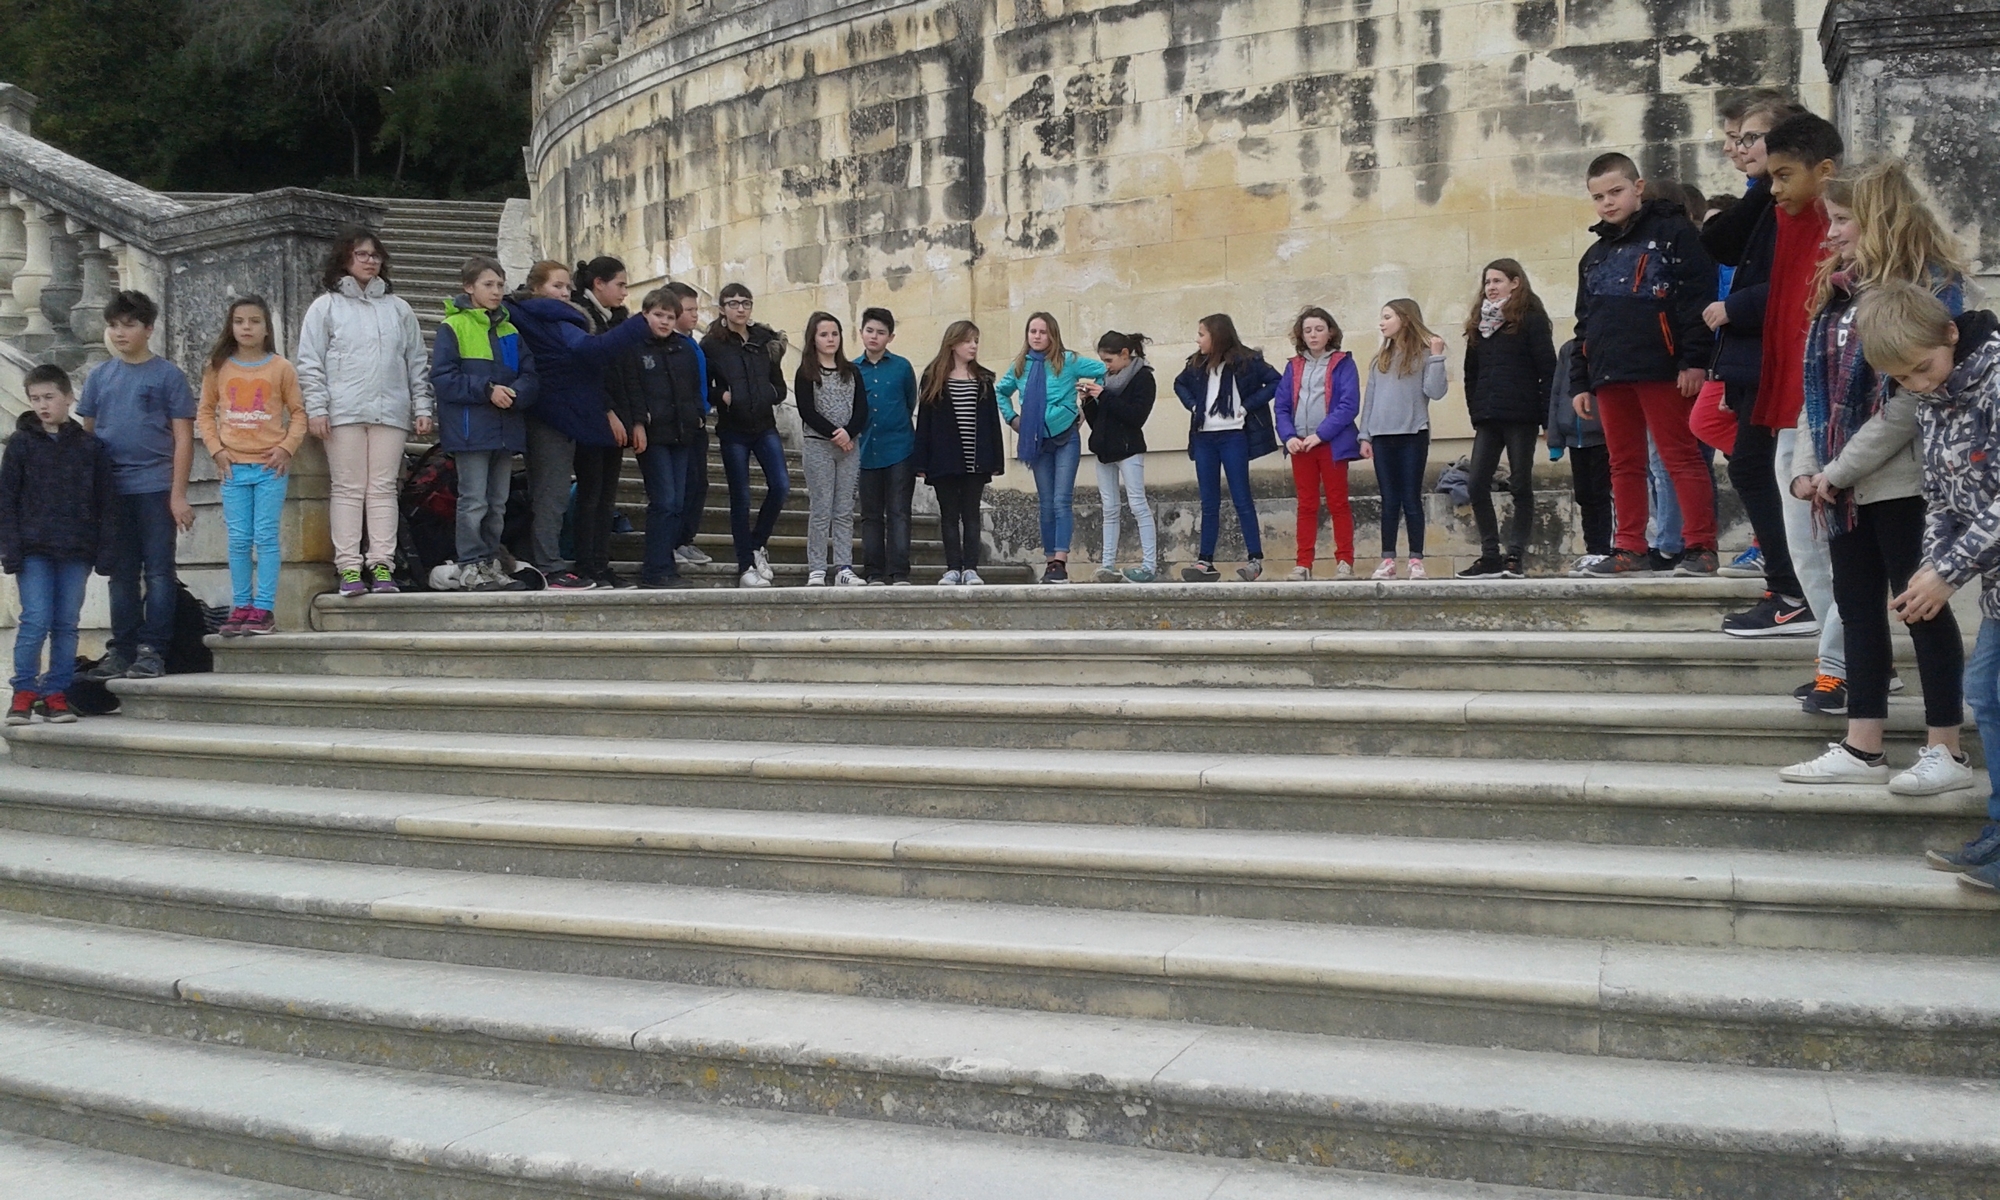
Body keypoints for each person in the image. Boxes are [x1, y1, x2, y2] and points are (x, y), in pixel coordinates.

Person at [1779, 174, 1972, 791]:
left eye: (1842, 220)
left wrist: (1834, 472)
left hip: (1904, 483)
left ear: (1881, 219)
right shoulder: (1837, 293)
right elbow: (1815, 392)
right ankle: (1863, 747)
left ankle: (1946, 749)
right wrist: (1807, 469)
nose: (1831, 234)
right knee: (1858, 610)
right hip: (1841, 488)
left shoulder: (1931, 287)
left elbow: (1911, 399)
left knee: (1920, 608)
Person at [1850, 283, 2000, 891]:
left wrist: (1949, 571)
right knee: (1985, 693)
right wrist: (1929, 562)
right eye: (1901, 378)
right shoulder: (1932, 398)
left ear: (1951, 334)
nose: (1917, 383)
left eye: (1922, 367)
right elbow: (1940, 495)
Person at [1569, 152, 1720, 576]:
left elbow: (1697, 296)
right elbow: (1585, 322)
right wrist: (1581, 380)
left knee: (1680, 455)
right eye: (1598, 197)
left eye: (1615, 191)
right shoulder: (1593, 255)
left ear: (1638, 187)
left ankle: (1701, 546)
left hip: (1662, 367)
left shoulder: (1674, 233)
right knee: (1623, 463)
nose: (1607, 203)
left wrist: (1694, 360)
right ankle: (1629, 547)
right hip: (1609, 372)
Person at [296, 228, 435, 597]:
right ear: (346, 258)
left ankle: (382, 564)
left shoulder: (398, 309)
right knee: (347, 488)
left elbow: (415, 361)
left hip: (391, 411)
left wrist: (422, 405)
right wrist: (317, 408)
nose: (370, 261)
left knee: (383, 489)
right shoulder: (325, 307)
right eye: (362, 254)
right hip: (343, 412)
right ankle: (349, 567)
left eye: (375, 255)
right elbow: (310, 362)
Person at [506, 259, 652, 590]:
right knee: (552, 495)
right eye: (556, 286)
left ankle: (560, 563)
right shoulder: (546, 318)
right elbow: (590, 350)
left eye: (567, 287)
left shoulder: (551, 317)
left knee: (559, 495)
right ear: (536, 288)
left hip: (567, 414)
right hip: (551, 416)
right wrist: (639, 324)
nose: (564, 293)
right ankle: (549, 566)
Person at [77, 290, 195, 681]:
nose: (119, 332)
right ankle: (122, 650)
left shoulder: (168, 376)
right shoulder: (99, 377)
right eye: (113, 325)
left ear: (149, 328)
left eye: (128, 325)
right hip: (113, 492)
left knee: (159, 572)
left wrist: (178, 494)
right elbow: (87, 439)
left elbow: (183, 438)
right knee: (121, 574)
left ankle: (153, 651)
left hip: (156, 486)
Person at [2, 364, 113, 723]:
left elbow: (104, 502)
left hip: (76, 549)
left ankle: (56, 693)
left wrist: (103, 549)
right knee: (35, 620)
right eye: (35, 399)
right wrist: (10, 548)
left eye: (49, 397)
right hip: (33, 549)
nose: (42, 405)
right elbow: (7, 499)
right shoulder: (20, 444)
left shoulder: (89, 447)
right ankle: (23, 693)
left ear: (68, 397)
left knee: (66, 623)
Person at [198, 295, 309, 631]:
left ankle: (264, 609)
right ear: (231, 327)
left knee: (266, 536)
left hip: (269, 468)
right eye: (239, 321)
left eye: (254, 321)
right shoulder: (218, 367)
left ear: (266, 328)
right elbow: (205, 412)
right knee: (238, 539)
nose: (246, 327)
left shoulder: (281, 368)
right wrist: (216, 449)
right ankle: (242, 606)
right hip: (232, 467)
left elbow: (299, 413)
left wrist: (286, 448)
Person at [432, 257, 539, 593]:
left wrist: (517, 393)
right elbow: (443, 378)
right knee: (474, 501)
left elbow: (530, 375)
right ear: (469, 287)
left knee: (497, 503)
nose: (496, 291)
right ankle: (470, 564)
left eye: (500, 285)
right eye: (488, 285)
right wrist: (487, 390)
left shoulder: (510, 330)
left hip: (505, 430)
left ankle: (492, 561)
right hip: (470, 431)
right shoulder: (454, 327)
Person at [1457, 260, 1557, 579]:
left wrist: (1548, 419)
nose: (1491, 287)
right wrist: (1475, 410)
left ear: (1515, 283)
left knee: (1520, 483)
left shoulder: (1531, 319)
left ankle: (1515, 555)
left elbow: (1548, 371)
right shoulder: (1479, 324)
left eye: (1497, 281)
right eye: (1487, 282)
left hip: (1521, 415)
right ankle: (1490, 555)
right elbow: (1470, 373)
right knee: (1476, 484)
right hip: (1488, 416)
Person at [996, 312, 1106, 584]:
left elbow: (1103, 371)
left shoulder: (1068, 361)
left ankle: (1060, 561)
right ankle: (1049, 563)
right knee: (1045, 503)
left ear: (1052, 335)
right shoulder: (1020, 365)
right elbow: (1000, 391)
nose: (1036, 336)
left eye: (1042, 332)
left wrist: (1086, 405)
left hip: (1066, 437)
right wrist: (1012, 418)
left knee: (1061, 500)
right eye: (1032, 331)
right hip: (1036, 441)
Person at [607, 288, 706, 589]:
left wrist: (697, 416)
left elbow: (693, 389)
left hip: (682, 434)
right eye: (658, 315)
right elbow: (632, 388)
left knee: (678, 501)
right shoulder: (635, 348)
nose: (664, 321)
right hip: (653, 436)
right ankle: (655, 569)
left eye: (670, 317)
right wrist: (638, 423)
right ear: (645, 315)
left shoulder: (684, 349)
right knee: (664, 500)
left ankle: (666, 565)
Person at [1172, 313, 1282, 582]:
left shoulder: (1246, 361)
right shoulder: (1197, 364)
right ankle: (1205, 561)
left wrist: (1246, 406)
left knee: (1241, 497)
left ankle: (1254, 559)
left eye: (1202, 334)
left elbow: (1276, 381)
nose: (1197, 340)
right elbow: (1179, 383)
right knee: (1209, 501)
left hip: (1233, 436)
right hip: (1204, 437)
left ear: (1217, 336)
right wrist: (1194, 406)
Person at [703, 283, 791, 588]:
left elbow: (780, 386)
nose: (740, 308)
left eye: (746, 303)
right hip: (733, 430)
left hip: (764, 425)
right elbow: (703, 386)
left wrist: (770, 394)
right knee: (740, 497)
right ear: (722, 308)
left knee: (780, 485)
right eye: (733, 303)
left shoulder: (765, 340)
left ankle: (756, 545)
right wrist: (723, 396)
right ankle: (745, 566)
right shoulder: (711, 345)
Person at [1358, 299, 1448, 579]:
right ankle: (1388, 558)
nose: (1381, 323)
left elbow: (1435, 391)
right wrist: (1365, 435)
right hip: (1382, 436)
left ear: (1405, 319)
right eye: (1382, 317)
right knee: (1389, 499)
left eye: (1387, 317)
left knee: (1411, 497)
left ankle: (1415, 559)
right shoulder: (1380, 360)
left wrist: (1437, 357)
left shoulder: (1423, 356)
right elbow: (1370, 399)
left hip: (1412, 434)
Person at [1273, 308, 1360, 580]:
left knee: (1338, 502)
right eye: (1308, 330)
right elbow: (1282, 406)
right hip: (1300, 445)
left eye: (1319, 329)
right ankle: (1303, 563)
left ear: (1330, 332)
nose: (1313, 335)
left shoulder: (1343, 363)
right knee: (1306, 505)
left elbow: (1348, 405)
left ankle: (1344, 560)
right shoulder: (1293, 366)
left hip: (1331, 444)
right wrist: (1289, 437)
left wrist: (1321, 434)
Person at [913, 321, 1003, 586]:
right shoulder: (933, 377)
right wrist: (921, 461)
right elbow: (925, 422)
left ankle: (971, 568)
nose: (973, 346)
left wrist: (996, 459)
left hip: (976, 459)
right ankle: (953, 567)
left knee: (972, 514)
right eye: (968, 341)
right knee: (949, 515)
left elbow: (992, 422)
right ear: (953, 344)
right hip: (944, 459)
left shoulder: (983, 379)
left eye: (976, 341)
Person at [795, 312, 869, 587]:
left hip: (849, 447)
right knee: (821, 508)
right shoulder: (806, 372)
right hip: (819, 447)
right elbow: (807, 410)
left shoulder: (852, 371)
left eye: (835, 334)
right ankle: (817, 567)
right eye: (824, 334)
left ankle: (843, 567)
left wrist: (849, 432)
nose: (830, 339)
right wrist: (835, 434)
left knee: (844, 509)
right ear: (813, 339)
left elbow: (861, 408)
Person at [1081, 330, 1158, 582]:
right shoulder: (1106, 380)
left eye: (1109, 360)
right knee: (1109, 508)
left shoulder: (1143, 377)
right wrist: (1088, 402)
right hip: (1104, 450)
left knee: (1138, 505)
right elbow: (1099, 422)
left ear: (1125, 354)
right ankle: (1107, 565)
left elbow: (1136, 417)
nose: (1106, 366)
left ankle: (1149, 566)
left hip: (1129, 448)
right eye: (1103, 361)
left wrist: (1104, 396)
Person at [853, 307, 918, 585]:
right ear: (861, 333)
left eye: (881, 332)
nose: (874, 337)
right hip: (866, 450)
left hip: (900, 449)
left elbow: (909, 401)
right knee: (870, 516)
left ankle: (899, 571)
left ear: (890, 337)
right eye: (869, 331)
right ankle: (873, 571)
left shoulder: (902, 367)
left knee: (899, 512)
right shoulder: (852, 370)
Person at [1549, 340, 1611, 574]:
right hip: (1574, 438)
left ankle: (1605, 549)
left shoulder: (1603, 343)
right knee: (1584, 495)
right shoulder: (1568, 349)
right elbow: (1557, 392)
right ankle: (1593, 549)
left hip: (1601, 436)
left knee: (1602, 494)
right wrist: (1555, 440)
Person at [663, 281, 713, 569]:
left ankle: (684, 539)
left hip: (698, 420)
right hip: (679, 424)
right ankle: (671, 541)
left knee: (698, 483)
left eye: (696, 309)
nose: (695, 315)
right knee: (681, 486)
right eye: (689, 309)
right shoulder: (671, 345)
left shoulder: (692, 343)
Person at [572, 257, 629, 334]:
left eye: (625, 287)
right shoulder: (576, 318)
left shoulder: (622, 319)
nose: (625, 293)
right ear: (599, 283)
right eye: (620, 285)